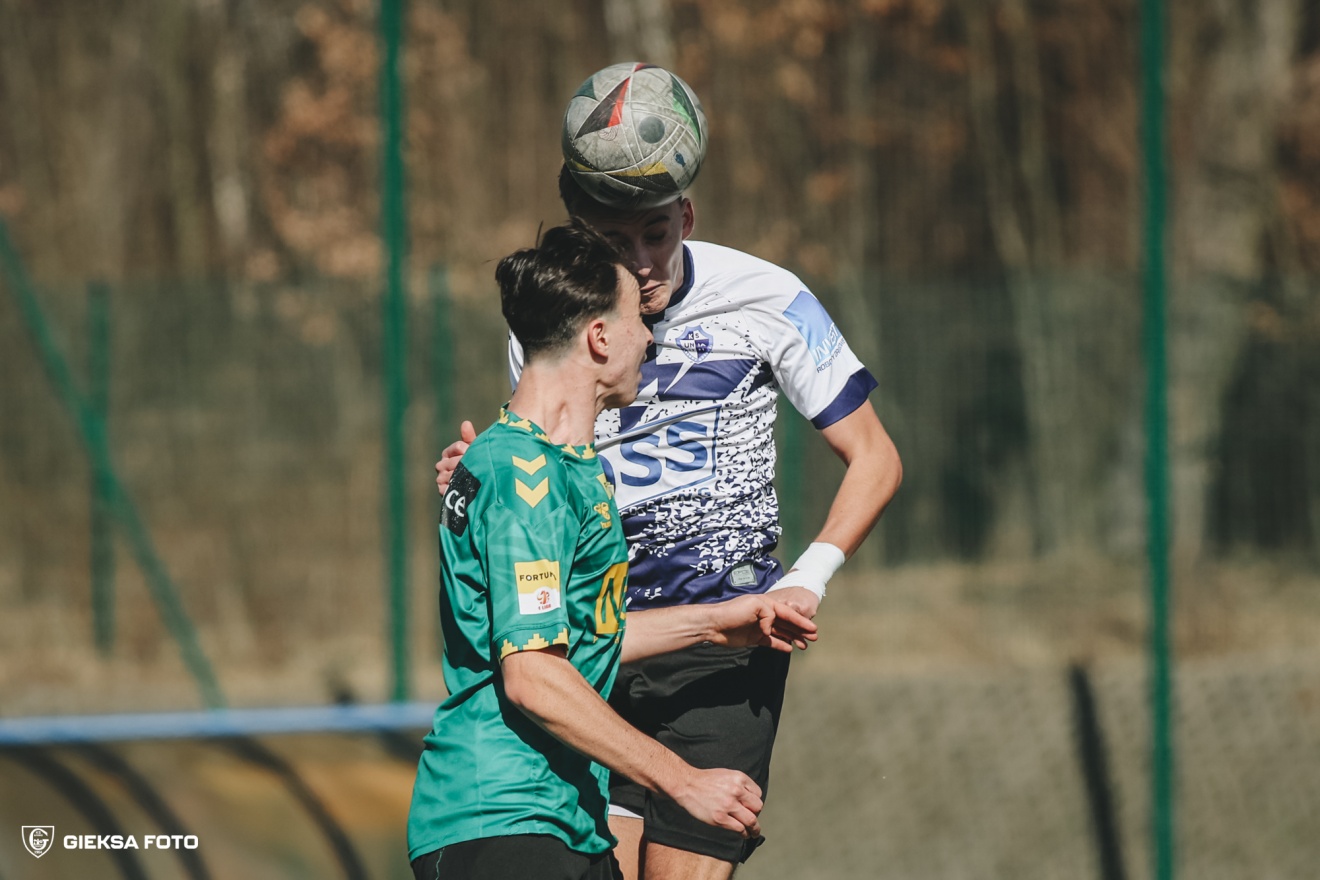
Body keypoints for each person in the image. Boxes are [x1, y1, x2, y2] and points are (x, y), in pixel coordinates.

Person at [437, 66, 902, 880]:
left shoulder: (770, 298)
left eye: (656, 234)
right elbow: (545, 468)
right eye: (615, 243)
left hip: (725, 647)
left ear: (685, 214)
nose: (643, 262)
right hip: (602, 642)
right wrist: (480, 478)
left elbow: (876, 456)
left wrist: (807, 579)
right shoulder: (562, 318)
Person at [408, 219, 818, 880]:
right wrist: (683, 780)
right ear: (599, 337)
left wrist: (718, 622)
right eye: (636, 319)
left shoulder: (566, 472)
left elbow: (585, 637)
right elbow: (534, 676)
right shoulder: (524, 478)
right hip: (503, 821)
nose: (650, 336)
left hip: (565, 822)